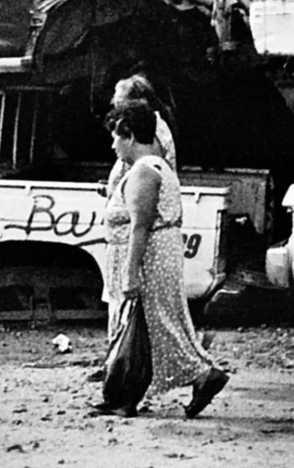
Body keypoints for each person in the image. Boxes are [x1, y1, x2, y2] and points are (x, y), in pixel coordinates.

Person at [97, 99, 229, 419]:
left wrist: (129, 275)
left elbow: (140, 227)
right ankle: (124, 396)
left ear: (130, 135)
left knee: (158, 326)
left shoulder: (143, 172)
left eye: (116, 136)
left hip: (152, 257)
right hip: (162, 253)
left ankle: (200, 375)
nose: (113, 145)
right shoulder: (158, 166)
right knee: (154, 325)